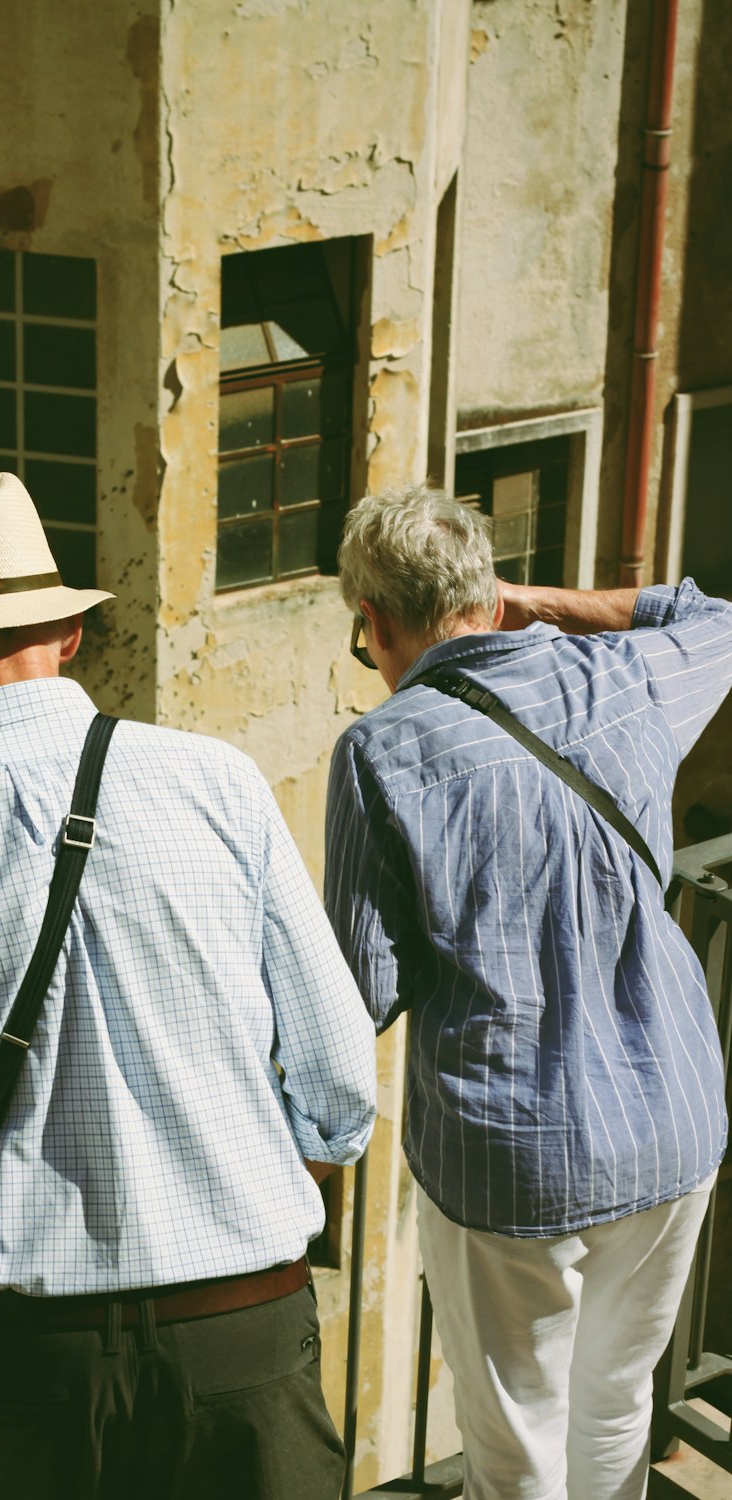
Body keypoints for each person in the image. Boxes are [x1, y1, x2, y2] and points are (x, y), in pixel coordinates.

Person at [0, 471, 377, 1500]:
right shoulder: (217, 781)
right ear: (66, 635)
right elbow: (336, 1074)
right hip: (242, 1331)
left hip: (30, 1359)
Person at [324, 483, 730, 1500]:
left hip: (511, 1153)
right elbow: (712, 616)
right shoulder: (623, 678)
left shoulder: (381, 751)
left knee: (513, 1441)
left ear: (372, 621)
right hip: (672, 1118)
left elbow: (362, 989)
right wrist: (533, 601)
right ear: (487, 590)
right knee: (614, 1405)